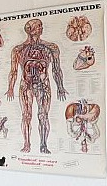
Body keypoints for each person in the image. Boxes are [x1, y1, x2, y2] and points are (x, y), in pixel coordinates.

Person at [5, 19, 67, 153]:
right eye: (38, 26)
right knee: (26, 115)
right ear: (30, 30)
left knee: (43, 115)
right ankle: (27, 144)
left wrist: (60, 87)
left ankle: (43, 145)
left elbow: (56, 69)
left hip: (43, 86)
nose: (41, 28)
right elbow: (13, 71)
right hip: (26, 85)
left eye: (41, 26)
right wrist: (10, 87)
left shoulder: (51, 48)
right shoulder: (18, 50)